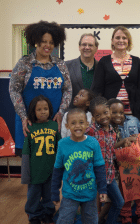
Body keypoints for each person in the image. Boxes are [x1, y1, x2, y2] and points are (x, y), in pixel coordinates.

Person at [9, 20, 71, 156]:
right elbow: (14, 90)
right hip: (29, 124)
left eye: (51, 42)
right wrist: (24, 117)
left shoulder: (60, 65)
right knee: (29, 167)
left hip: (53, 123)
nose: (47, 45)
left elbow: (67, 90)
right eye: (44, 41)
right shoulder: (24, 63)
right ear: (36, 41)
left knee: (53, 165)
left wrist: (60, 112)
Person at [51, 108, 107, 224]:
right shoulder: (62, 144)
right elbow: (57, 170)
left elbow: (100, 168)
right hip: (69, 195)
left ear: (87, 124)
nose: (77, 126)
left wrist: (102, 189)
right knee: (64, 221)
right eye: (73, 123)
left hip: (90, 194)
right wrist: (54, 192)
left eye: (81, 122)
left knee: (91, 221)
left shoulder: (93, 143)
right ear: (67, 126)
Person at [107, 98, 140, 224]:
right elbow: (109, 146)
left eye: (121, 112)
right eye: (114, 112)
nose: (118, 115)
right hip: (121, 164)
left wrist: (139, 138)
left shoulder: (133, 120)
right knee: (125, 190)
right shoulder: (108, 127)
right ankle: (126, 216)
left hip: (137, 161)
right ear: (108, 113)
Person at [91, 26, 140, 121]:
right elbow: (97, 89)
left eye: (124, 38)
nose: (121, 40)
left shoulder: (137, 61)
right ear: (112, 41)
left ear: (128, 41)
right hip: (109, 116)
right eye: (117, 38)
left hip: (133, 115)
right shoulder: (104, 61)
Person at [21, 95, 61, 224]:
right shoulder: (30, 128)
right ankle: (34, 215)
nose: (43, 111)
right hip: (35, 171)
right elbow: (26, 153)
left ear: (50, 110)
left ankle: (48, 213)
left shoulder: (55, 126)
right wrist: (25, 174)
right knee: (33, 196)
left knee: (49, 195)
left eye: (45, 108)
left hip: (51, 169)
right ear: (33, 111)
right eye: (39, 109)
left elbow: (60, 148)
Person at [86, 96, 125, 224]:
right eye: (98, 115)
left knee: (119, 202)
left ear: (109, 111)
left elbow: (111, 150)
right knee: (90, 207)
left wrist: (116, 160)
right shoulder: (92, 130)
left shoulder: (112, 132)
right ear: (93, 117)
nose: (103, 117)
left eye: (105, 112)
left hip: (109, 175)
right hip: (95, 176)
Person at [66, 33, 99, 108]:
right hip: (73, 114)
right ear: (79, 47)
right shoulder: (67, 66)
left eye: (90, 45)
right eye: (84, 44)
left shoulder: (102, 67)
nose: (87, 47)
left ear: (96, 48)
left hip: (95, 114)